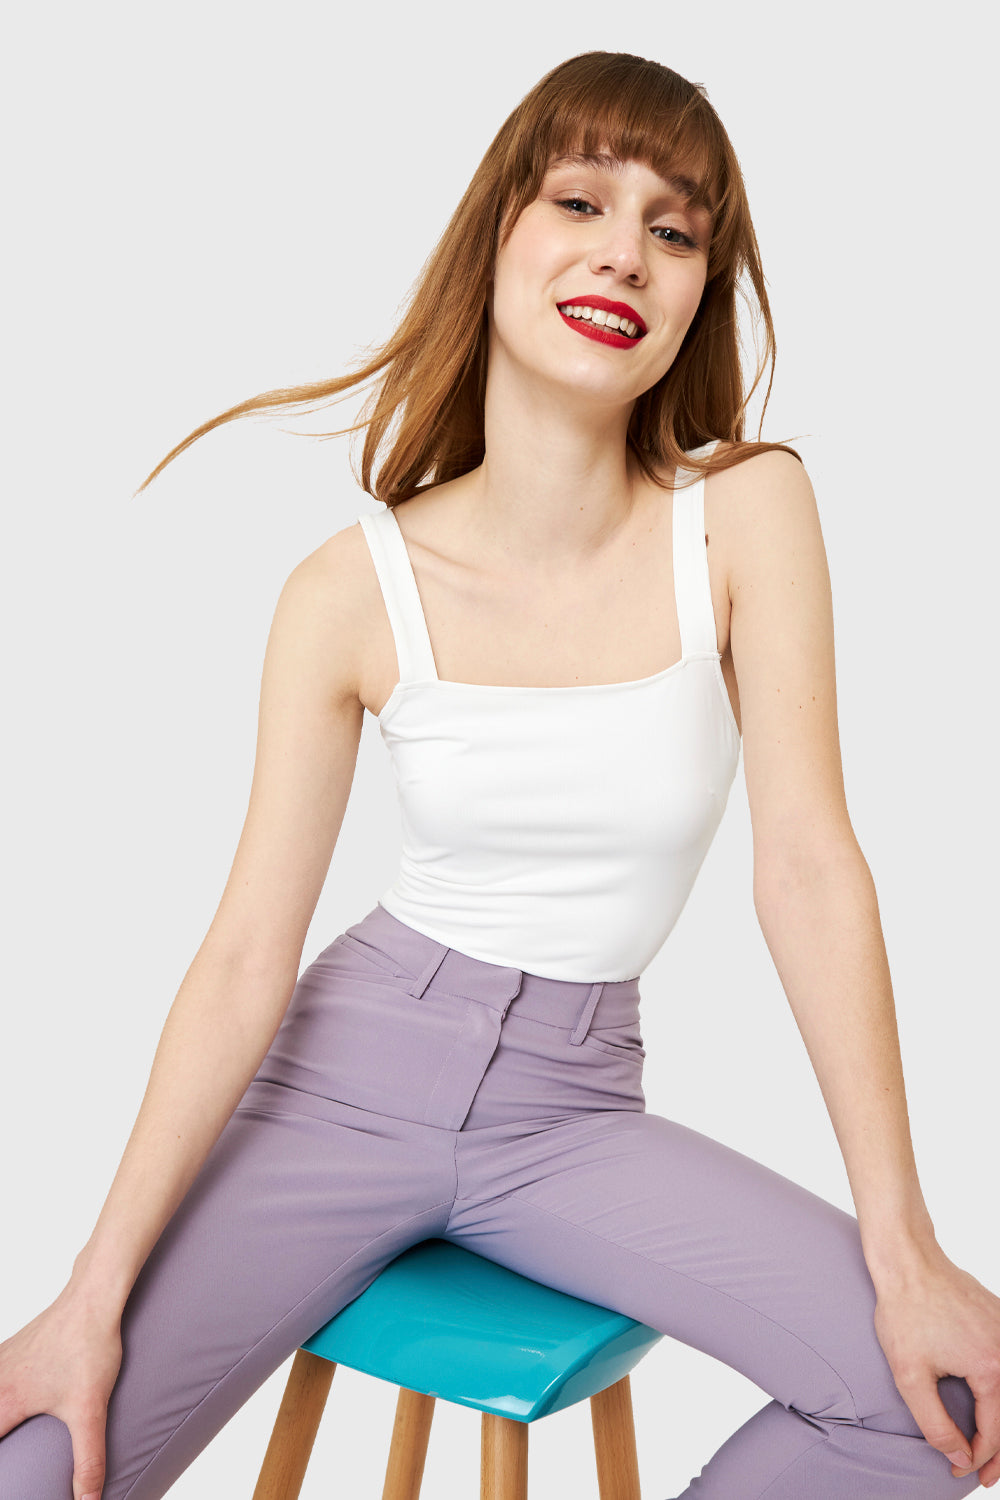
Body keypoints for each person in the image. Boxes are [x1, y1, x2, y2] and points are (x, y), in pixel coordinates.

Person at [1, 48, 997, 1500]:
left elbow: (809, 866)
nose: (625, 253)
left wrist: (906, 1248)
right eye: (581, 202)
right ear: (498, 235)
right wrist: (86, 1296)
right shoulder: (348, 592)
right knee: (36, 1465)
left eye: (674, 230)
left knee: (944, 1397)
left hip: (568, 1112)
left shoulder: (746, 513)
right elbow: (243, 957)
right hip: (342, 1084)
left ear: (696, 296)